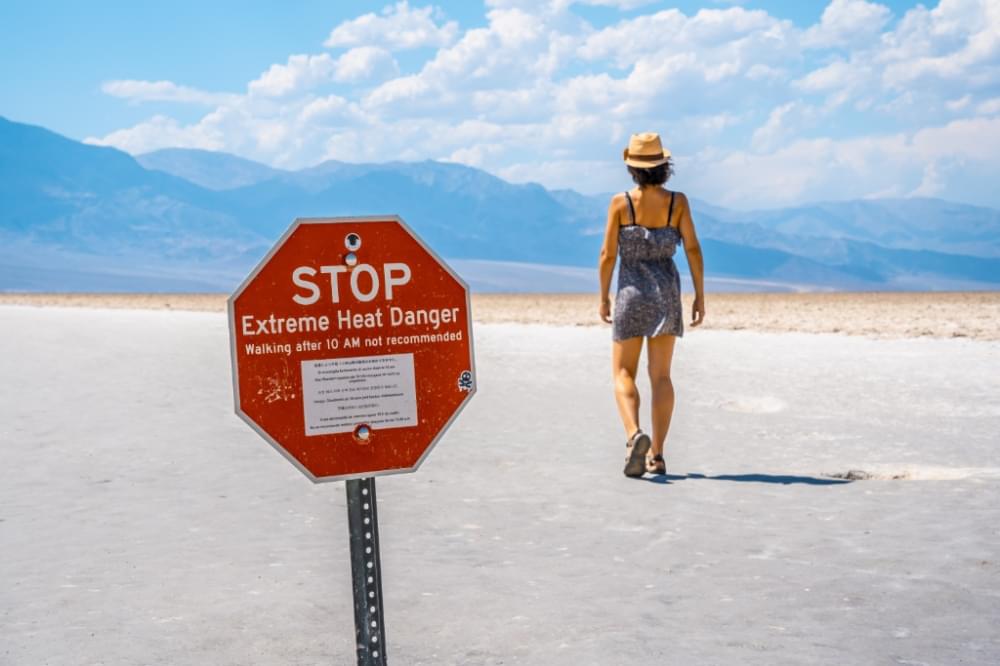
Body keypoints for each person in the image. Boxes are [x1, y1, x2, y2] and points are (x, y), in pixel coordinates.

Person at [598, 132, 705, 478]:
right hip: (666, 295)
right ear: (664, 165)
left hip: (630, 294)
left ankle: (633, 436)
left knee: (623, 372)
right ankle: (656, 455)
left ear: (632, 167)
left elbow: (607, 255)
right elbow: (692, 249)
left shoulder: (620, 203)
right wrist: (700, 294)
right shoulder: (678, 203)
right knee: (661, 376)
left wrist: (603, 296)